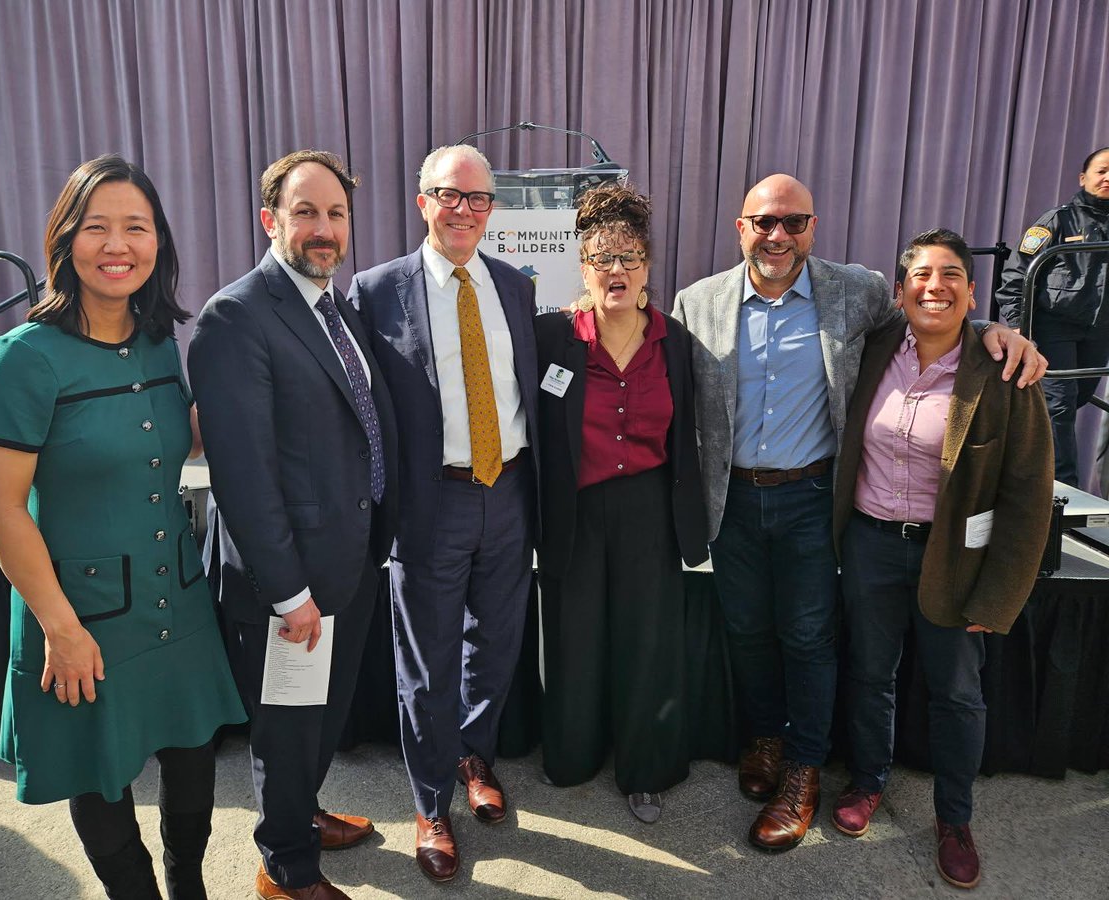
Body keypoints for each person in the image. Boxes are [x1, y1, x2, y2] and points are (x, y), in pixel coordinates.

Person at [671, 174, 1045, 853]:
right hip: (732, 501)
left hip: (813, 498)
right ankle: (765, 738)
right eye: (764, 222)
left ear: (812, 228)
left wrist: (996, 332)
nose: (778, 235)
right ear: (740, 227)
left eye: (793, 222)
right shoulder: (697, 302)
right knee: (747, 631)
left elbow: (933, 315)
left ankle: (804, 768)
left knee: (809, 637)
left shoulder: (859, 291)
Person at [0, 155, 247, 899]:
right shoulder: (21, 359)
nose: (117, 245)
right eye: (97, 227)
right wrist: (60, 628)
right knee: (99, 775)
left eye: (136, 227)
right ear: (66, 239)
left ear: (158, 242)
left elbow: (173, 442)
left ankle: (189, 884)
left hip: (177, 599)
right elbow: (1, 510)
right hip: (78, 613)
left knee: (194, 760)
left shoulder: (159, 343)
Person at [189, 149, 398, 900]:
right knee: (286, 731)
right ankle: (286, 869)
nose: (324, 228)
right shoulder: (237, 316)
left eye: (336, 213)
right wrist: (288, 592)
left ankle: (301, 814)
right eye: (305, 212)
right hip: (290, 582)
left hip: (351, 561)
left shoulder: (337, 309)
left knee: (323, 715)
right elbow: (243, 475)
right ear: (269, 220)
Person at [831, 228, 1053, 889]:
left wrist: (998, 595)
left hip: (953, 557)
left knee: (957, 693)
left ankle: (954, 819)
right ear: (900, 291)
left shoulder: (1005, 372)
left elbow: (1027, 497)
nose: (935, 286)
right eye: (922, 275)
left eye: (951, 274)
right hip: (871, 544)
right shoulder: (872, 349)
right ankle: (867, 781)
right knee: (870, 675)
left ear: (972, 292)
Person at [349, 144, 538, 883]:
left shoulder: (513, 286)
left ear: (492, 209)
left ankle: (472, 755)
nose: (463, 210)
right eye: (449, 195)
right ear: (422, 201)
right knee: (427, 664)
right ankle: (430, 802)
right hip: (431, 503)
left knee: (495, 647)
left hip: (509, 492)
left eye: (477, 198)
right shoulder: (375, 291)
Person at [533, 184, 709, 823]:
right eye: (602, 258)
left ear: (647, 267)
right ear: (583, 268)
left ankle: (646, 768)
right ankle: (574, 755)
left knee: (647, 642)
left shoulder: (675, 342)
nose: (617, 270)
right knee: (574, 636)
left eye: (629, 257)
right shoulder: (552, 338)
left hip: (648, 508)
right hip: (575, 508)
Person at [996, 146, 1109, 488]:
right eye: (1102, 171)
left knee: (1076, 398)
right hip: (1054, 327)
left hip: (1099, 330)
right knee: (1057, 406)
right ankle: (1062, 493)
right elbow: (1017, 276)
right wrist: (1018, 326)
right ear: (1083, 178)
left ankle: (1029, 472)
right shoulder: (1057, 220)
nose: (1108, 178)